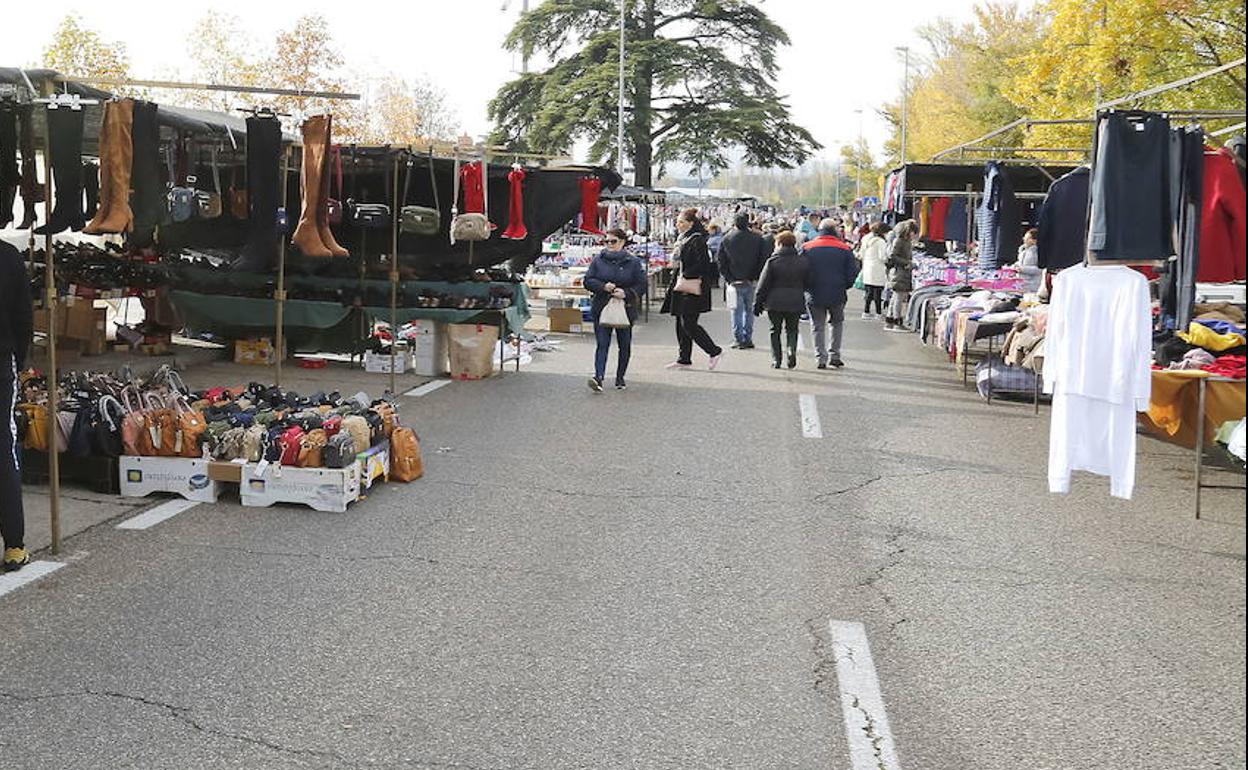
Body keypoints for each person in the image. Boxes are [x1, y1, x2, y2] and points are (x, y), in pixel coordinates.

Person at [583, 228, 648, 392]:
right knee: (602, 344)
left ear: (622, 242)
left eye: (613, 241)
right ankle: (598, 377)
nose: (609, 245)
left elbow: (642, 284)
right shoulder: (598, 260)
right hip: (602, 306)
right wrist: (603, 286)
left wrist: (626, 293)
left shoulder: (632, 262)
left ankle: (620, 377)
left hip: (625, 309)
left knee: (624, 344)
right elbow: (588, 280)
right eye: (607, 241)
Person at [1, 240, 33, 572]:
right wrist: (19, 360)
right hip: (1, 361)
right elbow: (24, 316)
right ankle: (14, 544)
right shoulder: (8, 256)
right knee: (2, 449)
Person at [661, 208, 724, 370]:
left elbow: (703, 265)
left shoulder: (697, 240)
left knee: (688, 323)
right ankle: (684, 358)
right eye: (677, 222)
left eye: (681, 222)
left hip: (692, 286)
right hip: (682, 285)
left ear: (690, 223)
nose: (678, 225)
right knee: (680, 323)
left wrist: (686, 273)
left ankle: (714, 351)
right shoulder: (683, 238)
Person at [803, 219, 859, 369]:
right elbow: (852, 273)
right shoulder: (845, 248)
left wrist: (806, 287)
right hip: (838, 292)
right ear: (835, 230)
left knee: (817, 326)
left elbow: (801, 270)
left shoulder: (807, 247)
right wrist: (845, 286)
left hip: (814, 293)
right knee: (836, 323)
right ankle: (835, 355)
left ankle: (820, 357)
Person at [753, 231, 811, 369]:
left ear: (779, 244)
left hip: (774, 302)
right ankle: (791, 350)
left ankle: (776, 359)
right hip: (795, 300)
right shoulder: (802, 261)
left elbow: (763, 284)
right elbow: (809, 282)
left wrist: (758, 303)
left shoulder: (773, 261)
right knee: (792, 330)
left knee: (775, 330)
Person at [717, 212, 770, 349]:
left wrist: (729, 278)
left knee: (736, 311)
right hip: (750, 280)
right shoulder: (758, 239)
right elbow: (762, 260)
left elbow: (721, 261)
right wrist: (756, 276)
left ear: (734, 223)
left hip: (734, 281)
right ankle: (748, 338)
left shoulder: (727, 238)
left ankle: (738, 338)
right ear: (748, 222)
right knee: (749, 311)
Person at [884, 219, 917, 332]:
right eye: (913, 233)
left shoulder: (904, 241)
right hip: (899, 272)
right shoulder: (900, 241)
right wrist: (907, 263)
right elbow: (892, 256)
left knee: (896, 297)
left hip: (900, 272)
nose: (914, 235)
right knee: (898, 297)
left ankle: (890, 320)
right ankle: (897, 321)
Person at [858, 222, 891, 319]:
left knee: (869, 292)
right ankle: (878, 313)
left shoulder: (866, 239)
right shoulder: (881, 242)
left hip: (868, 267)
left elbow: (861, 254)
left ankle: (866, 312)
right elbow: (882, 257)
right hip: (878, 268)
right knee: (878, 293)